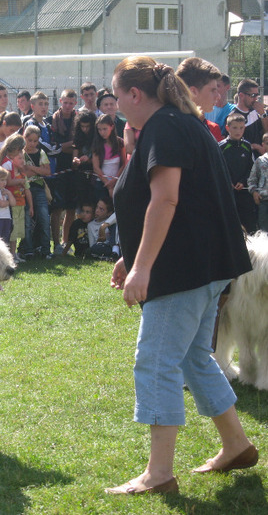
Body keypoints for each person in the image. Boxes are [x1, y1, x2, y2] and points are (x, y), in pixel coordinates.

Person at [107, 56, 256, 496]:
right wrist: (129, 255)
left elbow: (166, 201)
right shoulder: (178, 123)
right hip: (205, 265)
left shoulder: (165, 127)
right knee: (193, 357)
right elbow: (175, 201)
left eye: (117, 97)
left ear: (136, 95)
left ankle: (158, 472)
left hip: (183, 268)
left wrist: (142, 266)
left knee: (155, 360)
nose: (115, 106)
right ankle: (236, 444)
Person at [0, 133, 33, 261]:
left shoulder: (10, 162)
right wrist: (20, 181)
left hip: (16, 200)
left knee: (15, 229)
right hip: (9, 199)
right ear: (16, 149)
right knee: (10, 230)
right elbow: (9, 182)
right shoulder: (7, 163)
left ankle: (13, 253)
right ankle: (9, 254)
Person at [48, 89, 77, 254]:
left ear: (75, 103)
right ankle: (56, 243)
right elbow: (53, 149)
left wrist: (63, 147)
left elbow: (78, 144)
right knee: (57, 208)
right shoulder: (51, 120)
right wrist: (68, 146)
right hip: (55, 169)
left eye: (71, 103)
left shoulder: (78, 119)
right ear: (60, 101)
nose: (67, 106)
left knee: (71, 208)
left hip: (73, 168)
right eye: (65, 102)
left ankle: (66, 242)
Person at [220, 113, 257, 233]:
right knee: (229, 225)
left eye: (241, 127)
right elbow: (218, 168)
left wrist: (243, 181)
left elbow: (251, 168)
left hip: (244, 191)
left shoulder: (247, 146)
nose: (238, 131)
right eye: (235, 127)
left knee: (249, 224)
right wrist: (227, 181)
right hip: (227, 192)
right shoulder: (221, 147)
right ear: (227, 128)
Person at [22, 124, 52, 259]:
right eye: (30, 140)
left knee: (44, 218)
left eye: (35, 141)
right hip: (24, 190)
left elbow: (47, 171)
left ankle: (46, 249)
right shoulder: (20, 153)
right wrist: (36, 170)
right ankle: (28, 249)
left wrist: (32, 169)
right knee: (27, 220)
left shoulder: (41, 153)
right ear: (24, 138)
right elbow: (23, 172)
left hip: (38, 188)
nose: (32, 144)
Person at [176, 57, 223, 142]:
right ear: (193, 92)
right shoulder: (176, 128)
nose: (218, 96)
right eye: (213, 90)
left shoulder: (198, 124)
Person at [91, 114, 126, 200]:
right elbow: (96, 168)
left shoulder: (120, 143)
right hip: (101, 183)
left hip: (117, 182)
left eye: (105, 129)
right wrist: (108, 185)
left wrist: (115, 180)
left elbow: (124, 164)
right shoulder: (97, 145)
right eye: (99, 129)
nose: (102, 132)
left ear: (112, 127)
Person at [229, 78, 268, 156]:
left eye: (257, 95)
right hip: (245, 160)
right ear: (241, 95)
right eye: (253, 95)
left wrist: (263, 115)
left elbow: (266, 132)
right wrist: (255, 146)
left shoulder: (255, 111)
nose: (256, 99)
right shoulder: (234, 116)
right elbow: (232, 145)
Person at [248, 133, 268, 232]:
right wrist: (254, 192)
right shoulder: (260, 161)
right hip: (264, 200)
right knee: (264, 231)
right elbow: (252, 180)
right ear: (263, 145)